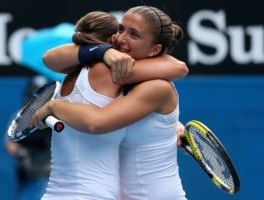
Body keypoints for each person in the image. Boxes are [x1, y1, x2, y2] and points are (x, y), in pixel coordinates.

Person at [32, 7, 187, 200]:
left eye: (134, 35)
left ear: (155, 49)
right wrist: (103, 51)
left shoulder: (154, 86)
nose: (121, 38)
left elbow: (178, 68)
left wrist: (54, 106)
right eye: (121, 29)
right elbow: (50, 58)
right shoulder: (108, 73)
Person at [5, 75, 51, 200]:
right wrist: (22, 152)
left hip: (52, 172)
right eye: (34, 97)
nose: (37, 102)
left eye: (42, 98)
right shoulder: (17, 118)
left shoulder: (57, 118)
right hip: (28, 171)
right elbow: (10, 145)